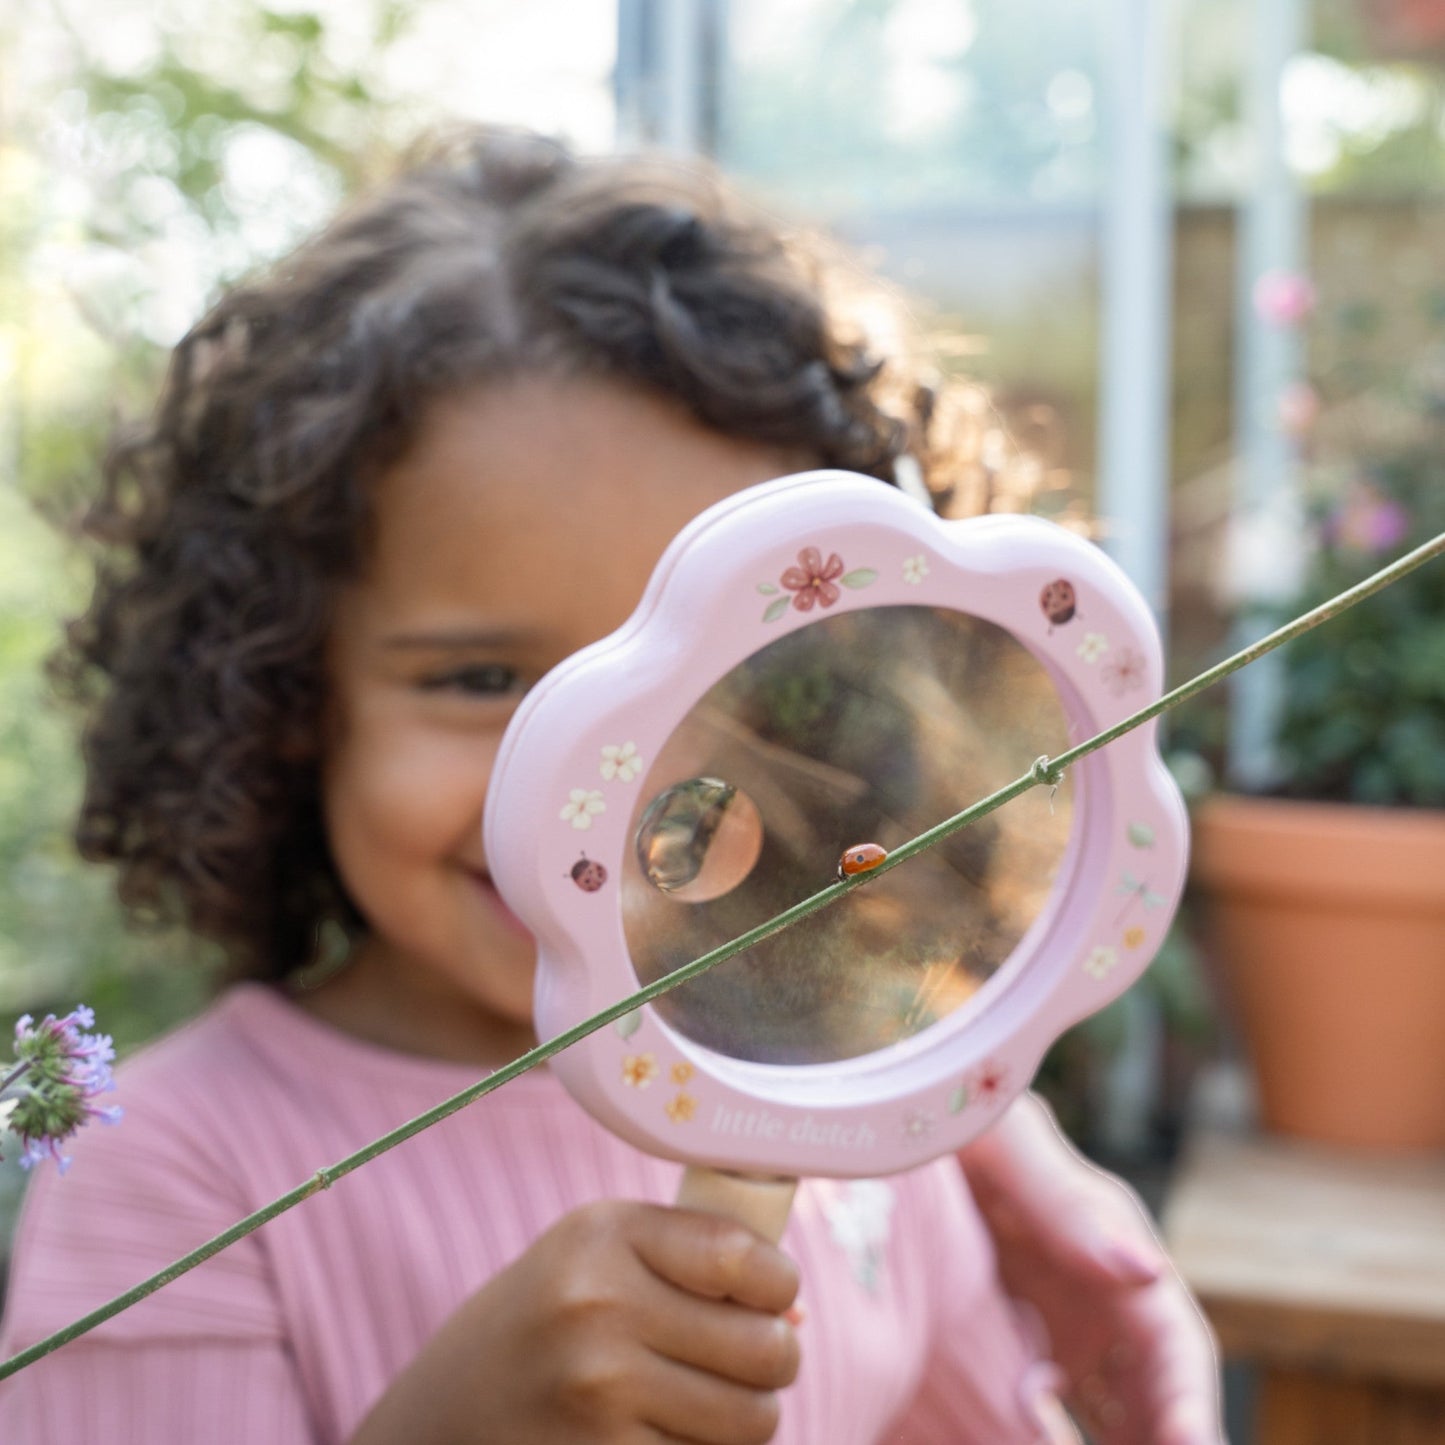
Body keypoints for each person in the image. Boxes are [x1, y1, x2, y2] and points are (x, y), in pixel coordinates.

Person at [0, 125, 1222, 1444]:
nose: (614, 779)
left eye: (737, 680)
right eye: (479, 677)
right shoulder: (174, 1173)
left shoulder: (853, 1100)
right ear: (291, 697)